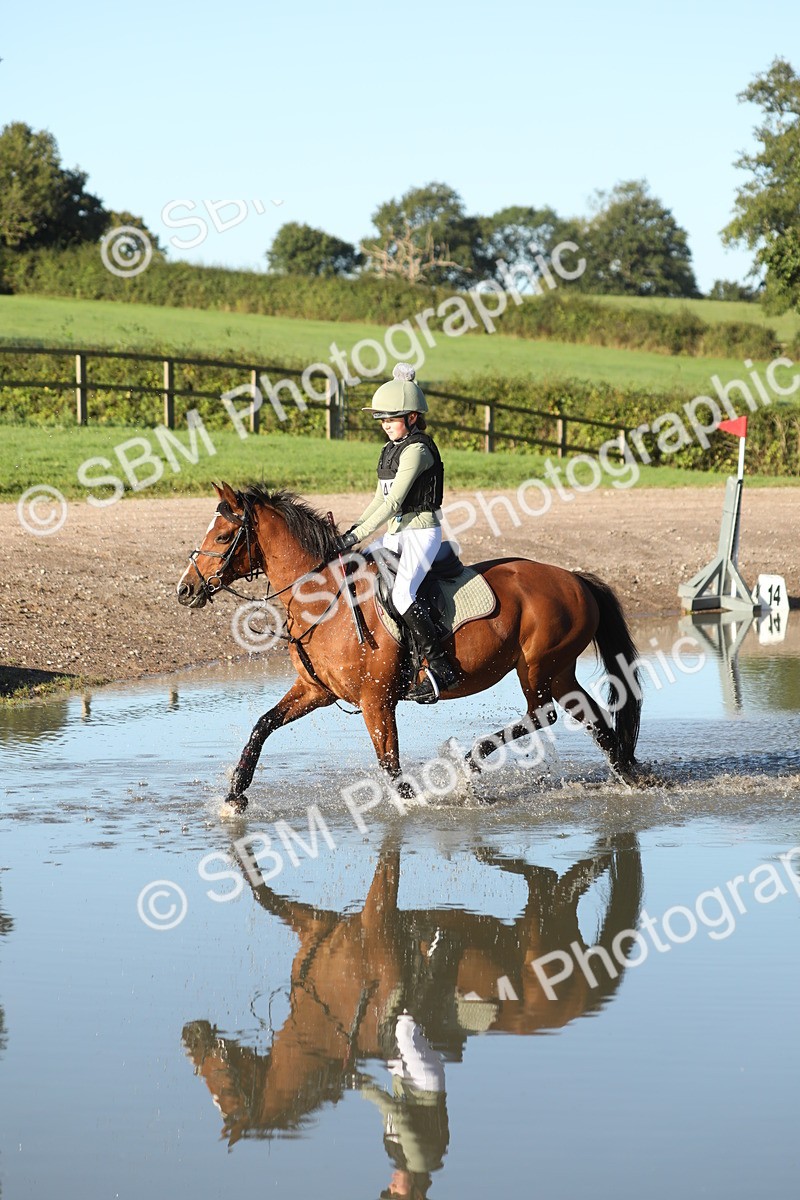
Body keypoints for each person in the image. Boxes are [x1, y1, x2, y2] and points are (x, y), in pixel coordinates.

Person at [336, 363, 458, 703]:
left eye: (391, 419)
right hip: (394, 534)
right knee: (362, 575)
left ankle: (440, 666)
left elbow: (393, 504)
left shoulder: (418, 450)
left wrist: (356, 536)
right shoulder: (390, 450)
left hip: (420, 534)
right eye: (382, 420)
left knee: (402, 595)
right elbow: (378, 500)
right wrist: (352, 531)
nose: (385, 425)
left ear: (412, 417)